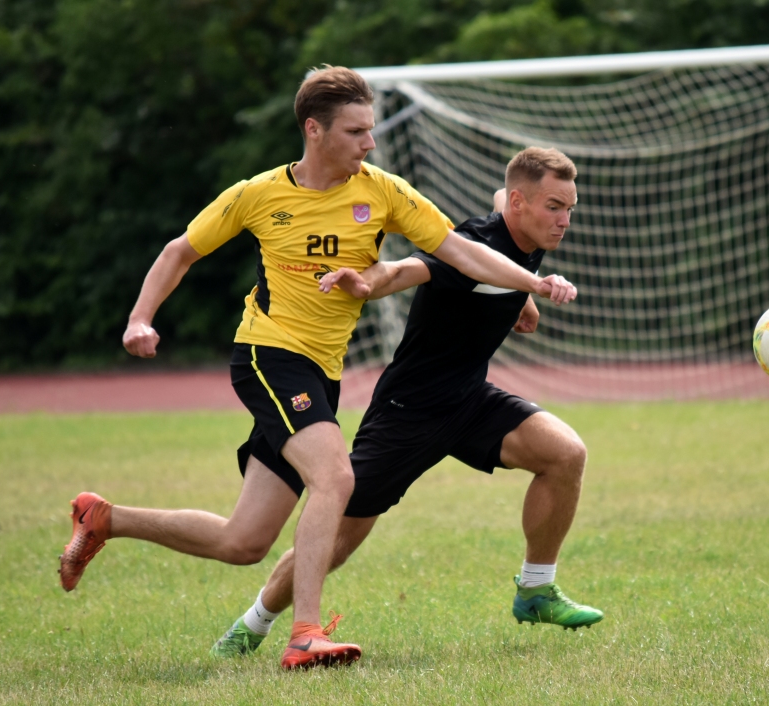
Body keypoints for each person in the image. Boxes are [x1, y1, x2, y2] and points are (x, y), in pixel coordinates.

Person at [58, 68, 578, 671]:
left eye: (371, 129)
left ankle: (105, 519)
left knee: (244, 542)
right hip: (268, 354)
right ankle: (304, 634)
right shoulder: (258, 194)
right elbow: (181, 250)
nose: (370, 143)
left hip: (320, 373)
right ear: (314, 129)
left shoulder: (384, 191)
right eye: (357, 131)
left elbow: (461, 249)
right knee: (335, 478)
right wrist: (140, 318)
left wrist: (529, 285)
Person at [208, 146, 603, 664]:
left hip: (469, 398)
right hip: (407, 411)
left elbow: (502, 209)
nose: (565, 220)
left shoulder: (524, 228)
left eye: (570, 207)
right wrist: (365, 281)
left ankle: (535, 591)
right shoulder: (473, 243)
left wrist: (521, 300)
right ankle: (251, 624)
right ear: (520, 204)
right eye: (555, 206)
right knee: (339, 541)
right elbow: (401, 271)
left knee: (565, 453)